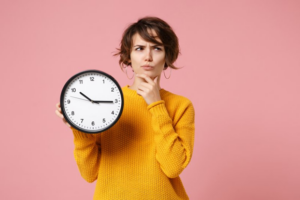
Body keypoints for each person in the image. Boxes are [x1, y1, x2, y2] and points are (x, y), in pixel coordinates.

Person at [55, 16, 195, 200]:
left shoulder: (181, 105)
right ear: (128, 55)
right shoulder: (107, 100)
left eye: (157, 48)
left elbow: (173, 167)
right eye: (139, 48)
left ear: (167, 56)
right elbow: (89, 174)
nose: (148, 57)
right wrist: (79, 129)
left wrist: (156, 105)